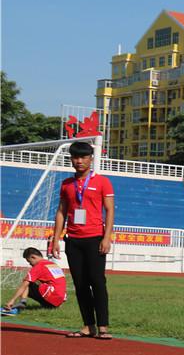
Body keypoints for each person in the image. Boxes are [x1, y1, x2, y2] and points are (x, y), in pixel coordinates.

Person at [49, 141, 115, 339]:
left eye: (83, 157)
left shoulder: (102, 182)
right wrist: (56, 239)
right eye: (75, 157)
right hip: (73, 240)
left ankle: (103, 326)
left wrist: (107, 237)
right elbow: (61, 212)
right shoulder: (67, 184)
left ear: (90, 159)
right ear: (71, 160)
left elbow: (110, 210)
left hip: (95, 238)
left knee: (97, 281)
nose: (79, 161)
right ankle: (88, 325)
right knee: (80, 284)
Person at [1, 247, 67, 315]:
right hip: (59, 301)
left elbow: (24, 285)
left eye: (29, 261)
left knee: (27, 283)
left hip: (51, 299)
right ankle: (51, 306)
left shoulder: (39, 266)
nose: (30, 264)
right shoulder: (53, 264)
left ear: (33, 257)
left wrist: (12, 300)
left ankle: (21, 304)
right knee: (35, 283)